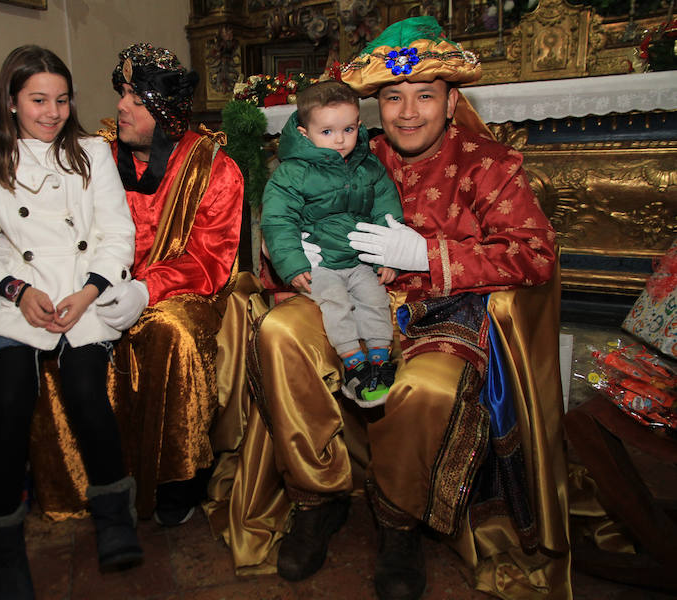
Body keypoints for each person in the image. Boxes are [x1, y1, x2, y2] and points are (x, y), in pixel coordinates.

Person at [208, 15, 571, 600]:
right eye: (393, 97)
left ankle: (399, 524)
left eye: (424, 96)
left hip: (444, 314)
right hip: (347, 295)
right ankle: (316, 498)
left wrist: (428, 253)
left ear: (451, 101)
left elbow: (535, 255)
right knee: (278, 332)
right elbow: (284, 217)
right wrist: (293, 254)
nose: (407, 112)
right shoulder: (349, 153)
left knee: (421, 388)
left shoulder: (489, 163)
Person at [0, 45, 141, 597]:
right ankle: (4, 549)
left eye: (61, 99)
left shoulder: (91, 153)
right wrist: (16, 290)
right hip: (21, 296)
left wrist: (89, 292)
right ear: (11, 102)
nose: (52, 111)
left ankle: (113, 517)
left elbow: (117, 233)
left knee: (86, 389)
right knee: (10, 399)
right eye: (38, 99)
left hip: (84, 292)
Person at [30, 43, 244, 527]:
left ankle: (175, 484)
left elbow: (210, 258)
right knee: (47, 327)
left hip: (185, 292)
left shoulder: (214, 167)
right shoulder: (95, 156)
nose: (121, 106)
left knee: (170, 331)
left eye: (137, 99)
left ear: (165, 111)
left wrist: (145, 289)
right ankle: (82, 483)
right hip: (98, 284)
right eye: (121, 93)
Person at [260, 80, 403, 407]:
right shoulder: (292, 173)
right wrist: (293, 263)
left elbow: (386, 208)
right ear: (304, 132)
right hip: (319, 263)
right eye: (327, 131)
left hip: (359, 260)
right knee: (335, 305)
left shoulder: (367, 166)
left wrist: (388, 254)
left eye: (348, 129)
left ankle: (380, 361)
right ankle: (354, 366)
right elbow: (278, 221)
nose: (340, 139)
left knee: (375, 299)